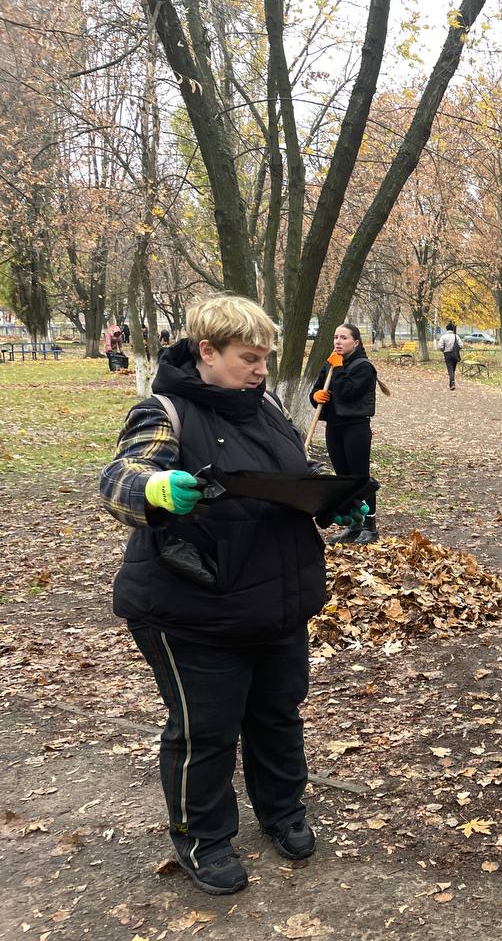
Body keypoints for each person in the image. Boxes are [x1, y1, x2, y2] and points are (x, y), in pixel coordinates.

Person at [99, 294, 360, 896]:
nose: (261, 369)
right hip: (193, 609)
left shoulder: (265, 404)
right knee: (206, 729)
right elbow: (120, 479)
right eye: (249, 357)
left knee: (276, 715)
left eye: (265, 357)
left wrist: (332, 498)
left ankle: (283, 812)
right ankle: (204, 838)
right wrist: (157, 489)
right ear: (206, 351)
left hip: (276, 602)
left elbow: (290, 481)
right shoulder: (165, 410)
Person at [311, 323, 381, 543]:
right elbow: (318, 389)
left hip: (355, 427)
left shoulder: (364, 367)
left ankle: (370, 526)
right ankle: (354, 524)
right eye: (335, 337)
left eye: (343, 338)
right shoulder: (331, 365)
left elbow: (348, 393)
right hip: (334, 427)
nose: (338, 342)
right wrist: (315, 397)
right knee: (343, 478)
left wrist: (340, 369)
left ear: (356, 342)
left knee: (360, 477)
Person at [439, 321, 463, 390]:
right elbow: (461, 345)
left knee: (450, 369)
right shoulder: (456, 336)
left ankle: (452, 384)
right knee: (453, 369)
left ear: (447, 329)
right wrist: (457, 348)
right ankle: (451, 384)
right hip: (455, 354)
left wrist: (443, 350)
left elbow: (440, 346)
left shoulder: (443, 337)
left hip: (447, 354)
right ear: (452, 329)